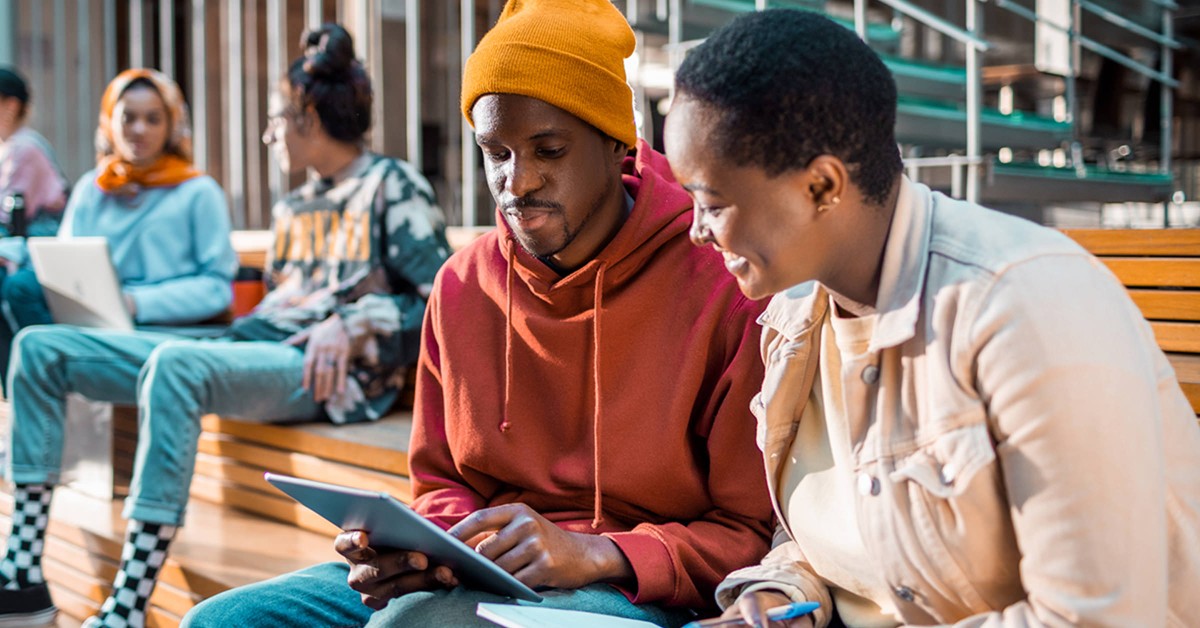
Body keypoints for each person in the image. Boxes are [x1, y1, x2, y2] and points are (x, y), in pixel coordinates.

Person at [184, 1, 773, 627]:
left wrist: (599, 551)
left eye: (547, 149)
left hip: (633, 588)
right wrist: (417, 547)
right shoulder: (462, 284)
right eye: (496, 152)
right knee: (222, 622)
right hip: (477, 575)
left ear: (614, 141)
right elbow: (441, 483)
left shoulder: (723, 284)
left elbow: (749, 534)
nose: (517, 182)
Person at [664, 9, 1200, 628]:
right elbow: (847, 534)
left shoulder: (1021, 306)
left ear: (821, 187)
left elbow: (1095, 617)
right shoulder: (794, 319)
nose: (697, 232)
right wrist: (780, 597)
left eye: (711, 204)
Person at [0, 24, 450, 628]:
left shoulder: (393, 185)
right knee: (38, 349)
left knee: (175, 365)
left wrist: (355, 321)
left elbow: (443, 304)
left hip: (328, 378)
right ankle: (23, 573)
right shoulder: (294, 204)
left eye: (275, 120)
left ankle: (129, 603)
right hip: (259, 346)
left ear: (308, 120)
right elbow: (281, 303)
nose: (269, 134)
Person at [0, 68, 236, 389]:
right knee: (20, 291)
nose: (139, 129)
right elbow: (64, 263)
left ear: (171, 127)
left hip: (164, 332)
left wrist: (135, 302)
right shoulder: (93, 188)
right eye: (128, 118)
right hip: (95, 325)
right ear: (110, 121)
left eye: (153, 119)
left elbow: (217, 289)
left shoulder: (198, 191)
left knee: (39, 356)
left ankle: (63, 389)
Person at [0, 66, 68, 237]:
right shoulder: (10, 145)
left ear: (11, 106)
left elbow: (8, 213)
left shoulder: (24, 148)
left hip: (35, 245)